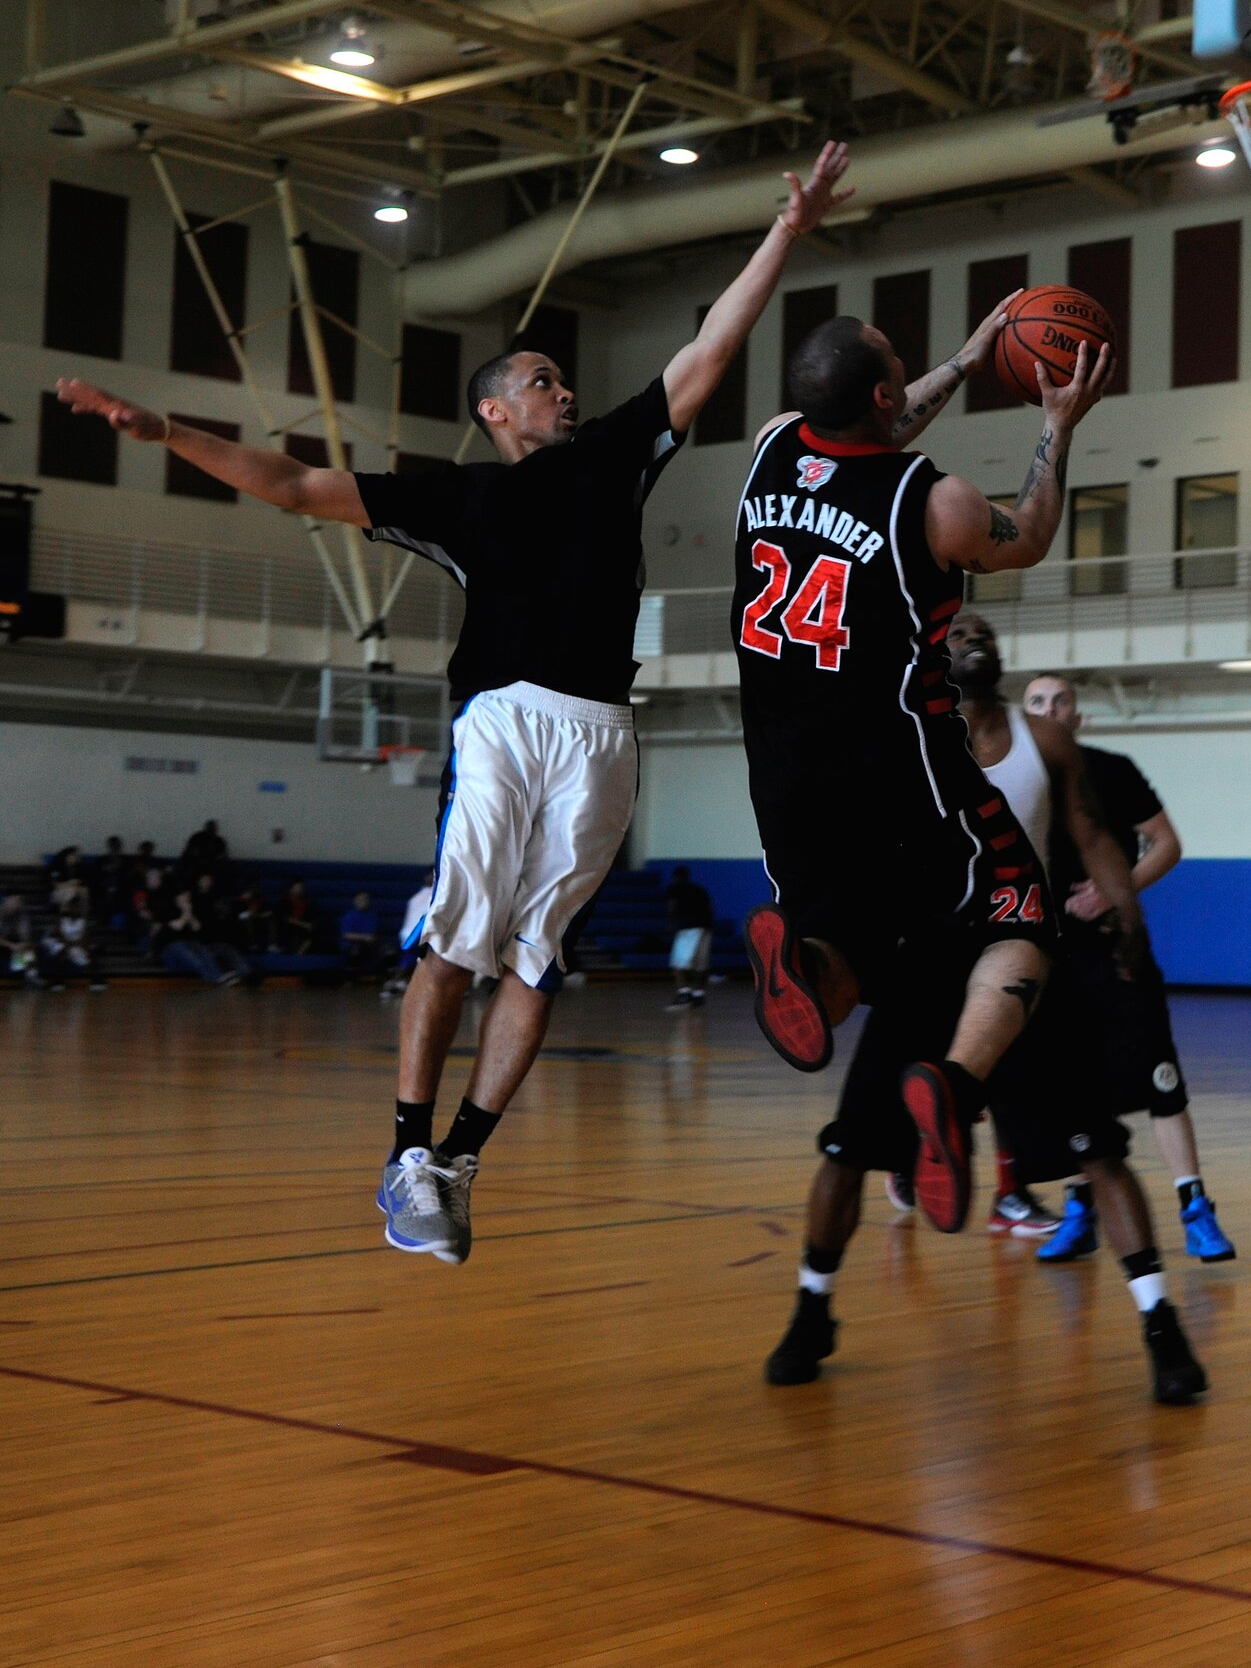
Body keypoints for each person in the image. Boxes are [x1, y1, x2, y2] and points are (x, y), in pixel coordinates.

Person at [57, 139, 855, 1268]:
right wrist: (164, 431)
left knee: (538, 963)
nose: (563, 389)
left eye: (560, 379)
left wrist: (784, 231)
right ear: (493, 410)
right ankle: (404, 1148)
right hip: (506, 717)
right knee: (455, 941)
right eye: (539, 379)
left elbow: (709, 346)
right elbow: (291, 482)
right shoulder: (459, 498)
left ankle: (462, 1161)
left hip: (604, 732)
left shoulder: (618, 454)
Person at [734, 303, 1108, 1231]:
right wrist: (1056, 428)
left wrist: (965, 363)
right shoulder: (934, 500)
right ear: (887, 393)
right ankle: (952, 1082)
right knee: (1020, 916)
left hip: (781, 773)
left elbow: (864, 427)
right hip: (897, 773)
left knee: (853, 945)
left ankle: (804, 962)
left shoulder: (772, 447)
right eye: (899, 363)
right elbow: (1026, 536)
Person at [763, 632, 1207, 1404]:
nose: (973, 640)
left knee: (1099, 1153)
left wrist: (1131, 925)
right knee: (845, 1149)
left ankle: (1162, 1327)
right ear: (930, 652)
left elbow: (1095, 836)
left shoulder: (1043, 739)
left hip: (1025, 962)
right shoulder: (907, 736)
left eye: (985, 634)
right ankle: (811, 1309)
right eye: (958, 631)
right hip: (924, 964)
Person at [1021, 672, 1236, 1264]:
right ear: (1025, 717)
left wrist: (1114, 892)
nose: (1051, 709)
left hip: (1119, 954)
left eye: (1061, 700)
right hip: (1053, 959)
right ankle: (1080, 1213)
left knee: (1162, 1082)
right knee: (1071, 1091)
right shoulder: (1015, 784)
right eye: (1037, 702)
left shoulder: (1112, 769)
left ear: (1077, 716)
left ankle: (1196, 1210)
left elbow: (1166, 843)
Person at [665, 866, 714, 1010]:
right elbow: (710, 908)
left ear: (675, 877)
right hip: (706, 928)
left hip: (688, 928)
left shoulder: (674, 888)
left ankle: (684, 993)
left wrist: (669, 923)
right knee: (701, 964)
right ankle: (698, 994)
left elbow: (672, 906)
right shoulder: (700, 889)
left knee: (678, 964)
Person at [340, 891, 385, 981]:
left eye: (366, 899)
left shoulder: (372, 915)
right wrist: (364, 937)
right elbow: (346, 935)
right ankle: (352, 977)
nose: (364, 901)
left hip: (371, 943)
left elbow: (374, 931)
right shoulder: (349, 916)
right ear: (355, 901)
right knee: (356, 951)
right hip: (354, 943)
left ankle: (379, 976)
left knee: (388, 951)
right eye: (361, 900)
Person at [1, 894, 41, 988]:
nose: (13, 905)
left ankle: (31, 978)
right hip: (4, 945)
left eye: (17, 903)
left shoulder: (23, 916)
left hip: (15, 947)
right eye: (11, 902)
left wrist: (22, 945)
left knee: (29, 950)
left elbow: (27, 936)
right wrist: (11, 945)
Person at [275, 879, 318, 955]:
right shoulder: (284, 901)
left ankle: (299, 954)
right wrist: (303, 924)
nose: (301, 888)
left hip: (303, 928)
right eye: (298, 886)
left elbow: (311, 917)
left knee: (315, 930)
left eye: (302, 887)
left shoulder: (307, 902)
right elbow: (285, 918)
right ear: (291, 889)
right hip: (289, 927)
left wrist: (310, 924)